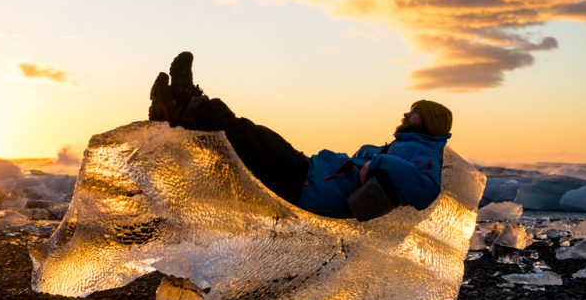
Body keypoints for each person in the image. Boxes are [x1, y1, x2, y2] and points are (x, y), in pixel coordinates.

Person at [148, 52, 452, 221]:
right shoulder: (407, 146)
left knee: (247, 136)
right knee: (242, 142)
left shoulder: (424, 153)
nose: (406, 113)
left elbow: (426, 190)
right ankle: (179, 108)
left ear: (428, 122)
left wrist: (380, 162)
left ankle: (187, 100)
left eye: (414, 111)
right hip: (310, 176)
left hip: (309, 187)